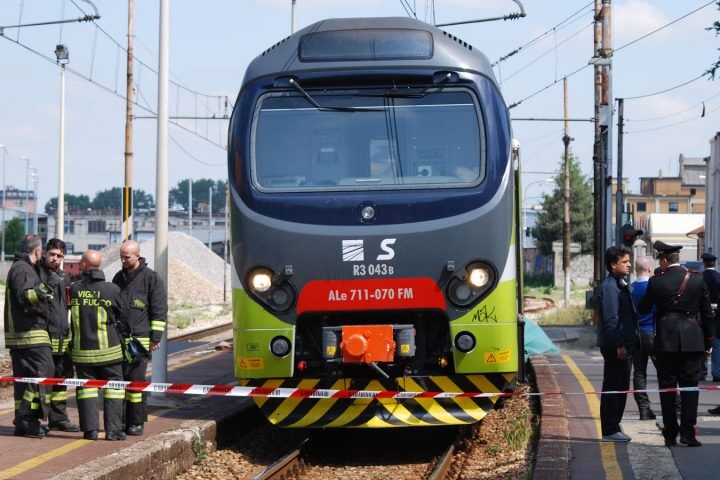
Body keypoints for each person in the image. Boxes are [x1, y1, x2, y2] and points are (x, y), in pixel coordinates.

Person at [638, 241, 713, 447]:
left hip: (665, 342)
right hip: (692, 341)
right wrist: (708, 341)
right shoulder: (697, 279)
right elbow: (707, 314)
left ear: (663, 260)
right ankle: (688, 434)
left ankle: (670, 433)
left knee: (668, 389)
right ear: (677, 259)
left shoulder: (656, 282)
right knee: (690, 389)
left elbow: (643, 308)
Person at [70, 250, 127, 441]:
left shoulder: (75, 289)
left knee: (87, 391)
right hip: (109, 352)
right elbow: (122, 316)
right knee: (114, 390)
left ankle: (90, 430)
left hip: (83, 353)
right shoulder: (111, 289)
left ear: (85, 266)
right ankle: (113, 430)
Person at [112, 240, 167, 436]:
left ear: (137, 255)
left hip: (139, 342)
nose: (123, 260)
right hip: (119, 339)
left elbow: (159, 310)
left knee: (136, 384)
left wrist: (155, 337)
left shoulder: (151, 278)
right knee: (120, 384)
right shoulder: (119, 277)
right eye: (121, 257)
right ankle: (121, 421)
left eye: (126, 257)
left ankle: (136, 422)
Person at [4, 235, 56, 438]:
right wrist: (43, 289)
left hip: (26, 333)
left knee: (26, 380)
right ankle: (26, 418)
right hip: (29, 333)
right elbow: (24, 297)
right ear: (37, 252)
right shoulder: (22, 269)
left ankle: (25, 421)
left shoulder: (23, 268)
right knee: (43, 374)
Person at [37, 238, 80, 433]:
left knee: (61, 379)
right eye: (53, 254)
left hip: (63, 338)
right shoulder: (36, 274)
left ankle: (59, 418)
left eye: (60, 256)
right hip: (43, 338)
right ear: (45, 253)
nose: (56, 259)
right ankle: (35, 419)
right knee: (41, 382)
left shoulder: (64, 277)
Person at [598, 245, 639, 442]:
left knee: (621, 385)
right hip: (617, 347)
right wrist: (619, 345)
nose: (629, 264)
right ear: (613, 265)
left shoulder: (620, 284)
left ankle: (614, 425)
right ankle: (610, 429)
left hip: (625, 344)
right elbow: (611, 320)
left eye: (629, 261)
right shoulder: (609, 287)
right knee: (614, 385)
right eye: (624, 262)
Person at [629, 255, 657, 420]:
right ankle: (674, 405)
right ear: (650, 269)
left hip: (636, 334)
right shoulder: (653, 288)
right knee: (665, 372)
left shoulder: (630, 289)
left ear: (635, 269)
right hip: (653, 333)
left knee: (639, 373)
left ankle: (644, 410)